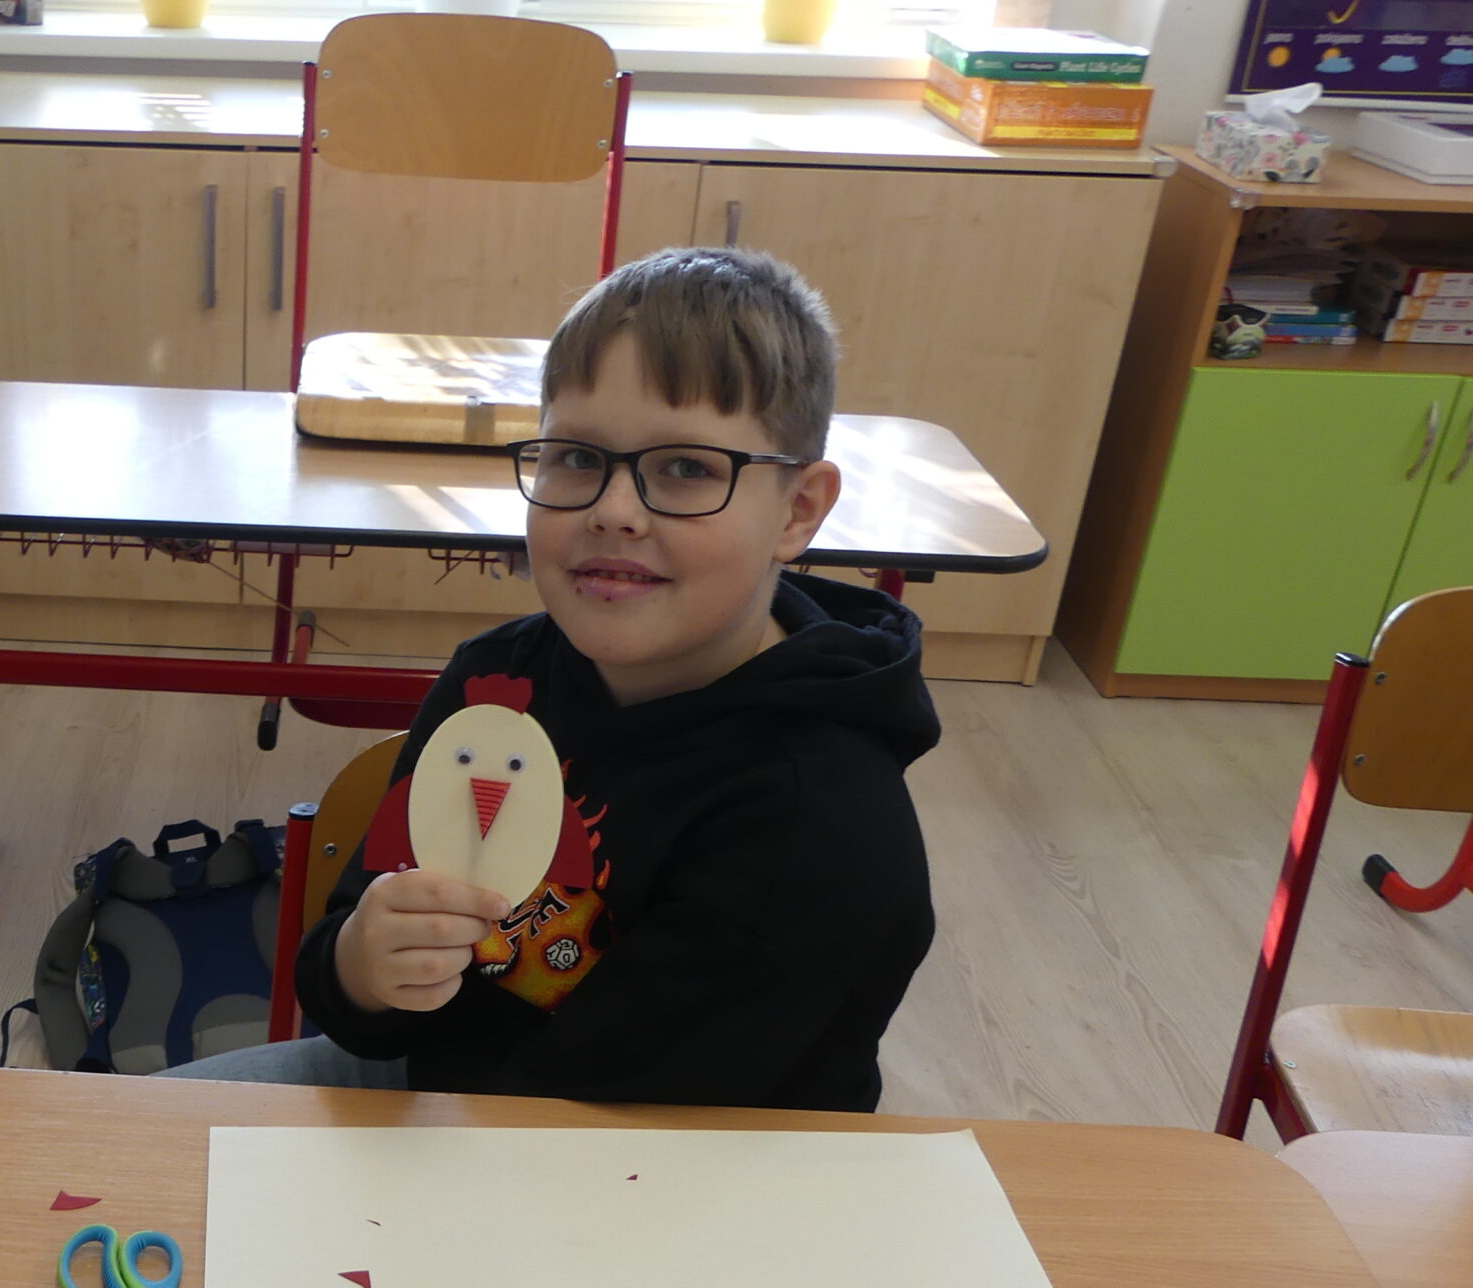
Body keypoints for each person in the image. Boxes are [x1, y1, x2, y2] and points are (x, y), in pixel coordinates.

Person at [169, 247, 937, 1108]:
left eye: (687, 468)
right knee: (126, 1141)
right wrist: (361, 965)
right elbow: (356, 979)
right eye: (576, 457)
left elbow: (611, 1135)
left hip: (647, 1158)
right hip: (442, 1091)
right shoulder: (497, 683)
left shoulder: (821, 826)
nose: (614, 509)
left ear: (798, 510)